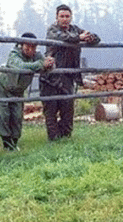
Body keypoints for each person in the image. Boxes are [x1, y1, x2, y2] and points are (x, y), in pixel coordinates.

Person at [39, 4, 100, 141]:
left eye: (67, 16)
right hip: (50, 77)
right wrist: (79, 38)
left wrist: (89, 37)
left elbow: (96, 38)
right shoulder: (52, 30)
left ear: (71, 17)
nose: (65, 19)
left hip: (68, 77)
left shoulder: (75, 29)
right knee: (51, 111)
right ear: (57, 17)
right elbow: (62, 38)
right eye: (62, 16)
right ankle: (54, 141)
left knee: (67, 110)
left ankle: (65, 139)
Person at [0, 33, 55, 151]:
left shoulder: (37, 56)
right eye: (27, 46)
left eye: (33, 47)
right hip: (4, 87)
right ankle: (7, 144)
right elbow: (20, 66)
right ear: (21, 45)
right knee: (4, 114)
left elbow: (47, 66)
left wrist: (49, 63)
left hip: (19, 90)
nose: (30, 50)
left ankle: (15, 142)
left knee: (17, 116)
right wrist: (39, 64)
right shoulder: (14, 54)